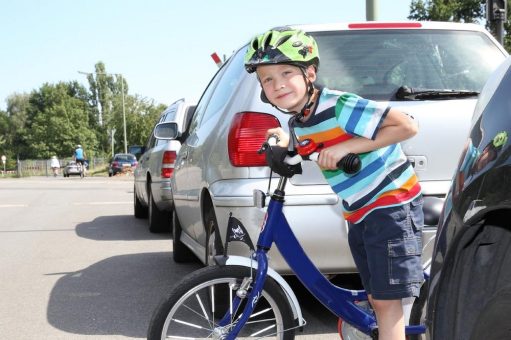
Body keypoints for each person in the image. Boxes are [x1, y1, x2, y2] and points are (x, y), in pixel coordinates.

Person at [244, 27, 423, 340]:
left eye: (286, 72)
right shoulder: (300, 122)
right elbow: (298, 145)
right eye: (267, 79)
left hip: (390, 203)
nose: (278, 84)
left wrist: (347, 147)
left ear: (309, 72)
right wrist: (277, 138)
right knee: (375, 294)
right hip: (359, 211)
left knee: (386, 301)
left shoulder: (338, 106)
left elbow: (406, 126)